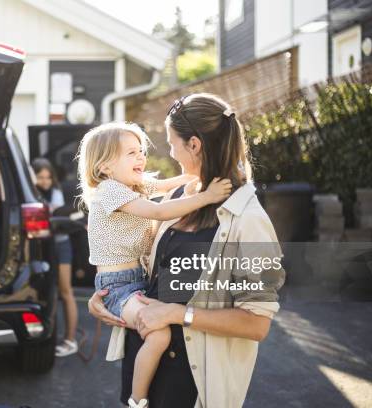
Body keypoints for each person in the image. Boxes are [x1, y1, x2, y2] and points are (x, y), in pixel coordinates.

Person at [88, 94, 286, 408]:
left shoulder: (249, 220)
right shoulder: (179, 197)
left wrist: (179, 314)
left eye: (171, 143)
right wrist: (106, 300)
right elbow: (142, 265)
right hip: (144, 365)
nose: (169, 153)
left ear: (193, 145)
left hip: (190, 385)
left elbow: (256, 324)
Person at [76, 122, 232, 408]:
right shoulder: (110, 190)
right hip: (118, 286)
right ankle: (138, 400)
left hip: (137, 281)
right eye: (131, 153)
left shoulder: (131, 184)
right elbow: (159, 209)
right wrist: (207, 197)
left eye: (141, 151)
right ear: (105, 167)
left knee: (157, 333)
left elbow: (165, 185)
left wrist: (194, 176)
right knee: (158, 335)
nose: (141, 158)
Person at [32, 157, 80, 357]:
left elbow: (57, 219)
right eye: (40, 177)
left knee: (65, 291)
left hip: (59, 246)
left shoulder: (57, 193)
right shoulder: (31, 193)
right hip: (40, 248)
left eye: (48, 177)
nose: (44, 181)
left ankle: (70, 340)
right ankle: (44, 337)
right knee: (46, 294)